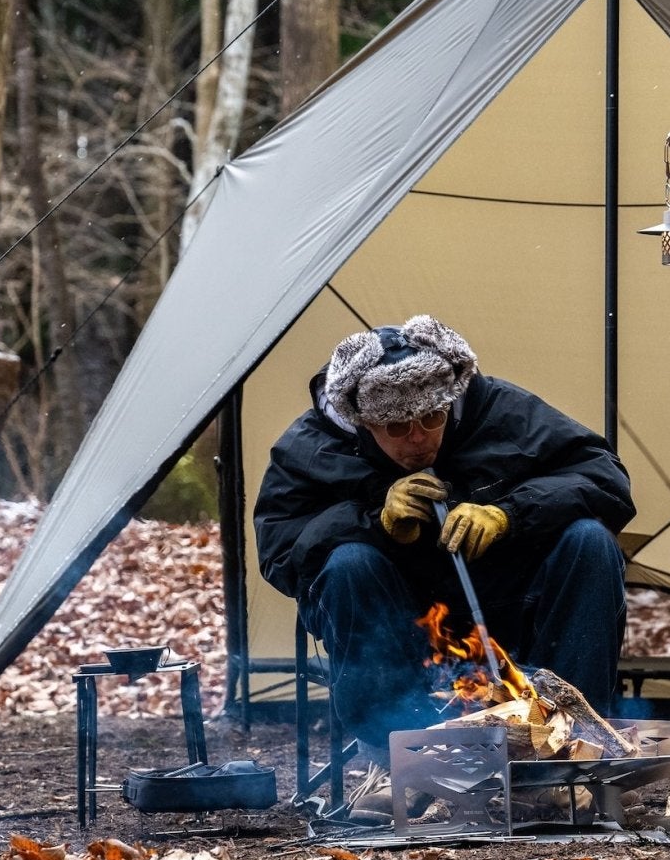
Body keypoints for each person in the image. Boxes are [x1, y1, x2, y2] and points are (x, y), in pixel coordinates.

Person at [253, 315, 633, 755]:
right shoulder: (310, 446)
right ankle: (397, 756)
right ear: (363, 422)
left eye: (431, 418)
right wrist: (373, 522)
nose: (416, 438)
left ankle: (574, 743)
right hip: (394, 627)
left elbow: (606, 480)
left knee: (590, 540)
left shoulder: (503, 412)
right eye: (396, 427)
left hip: (510, 606)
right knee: (350, 563)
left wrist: (509, 514)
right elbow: (280, 553)